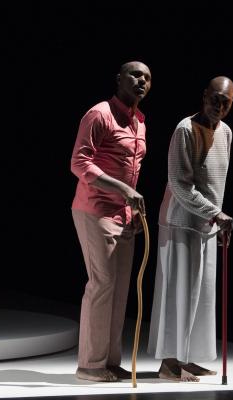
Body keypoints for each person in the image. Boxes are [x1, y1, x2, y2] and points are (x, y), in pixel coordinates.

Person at [147, 76, 233, 382]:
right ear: (204, 96)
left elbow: (216, 183)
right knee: (178, 292)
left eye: (225, 102)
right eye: (215, 99)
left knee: (203, 294)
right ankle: (169, 363)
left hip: (206, 224)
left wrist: (217, 220)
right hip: (180, 222)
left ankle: (188, 356)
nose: (218, 106)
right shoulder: (185, 129)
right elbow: (180, 184)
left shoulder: (226, 132)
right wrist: (216, 213)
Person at [70, 61, 152, 382]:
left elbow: (132, 170)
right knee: (102, 284)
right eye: (135, 75)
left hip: (124, 214)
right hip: (95, 209)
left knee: (119, 289)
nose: (141, 81)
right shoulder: (99, 114)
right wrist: (123, 190)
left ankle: (110, 361)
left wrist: (132, 209)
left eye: (147, 78)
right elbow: (79, 162)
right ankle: (90, 364)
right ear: (119, 79)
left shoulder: (140, 122)